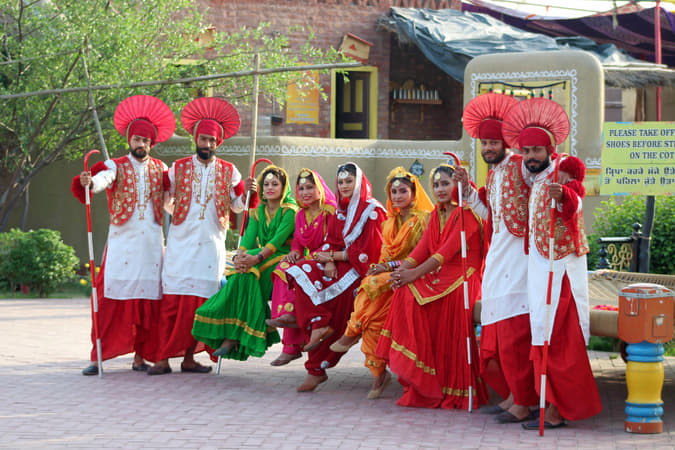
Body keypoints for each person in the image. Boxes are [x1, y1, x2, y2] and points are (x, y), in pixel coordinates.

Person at [501, 97, 602, 429]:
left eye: (537, 151)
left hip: (559, 276)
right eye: (527, 151)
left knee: (557, 342)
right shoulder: (537, 178)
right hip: (539, 270)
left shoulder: (563, 170)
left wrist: (566, 197)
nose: (531, 156)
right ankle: (541, 404)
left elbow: (576, 197)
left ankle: (556, 411)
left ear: (550, 150)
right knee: (540, 337)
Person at [148, 97, 256, 375]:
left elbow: (237, 206)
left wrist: (249, 194)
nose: (206, 144)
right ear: (195, 139)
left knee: (202, 305)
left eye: (211, 140)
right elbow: (162, 196)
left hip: (211, 245)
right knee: (172, 304)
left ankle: (189, 358)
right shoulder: (178, 168)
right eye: (202, 138)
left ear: (218, 143)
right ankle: (161, 358)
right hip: (180, 245)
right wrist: (178, 211)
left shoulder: (230, 171)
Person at [70, 94, 175, 375]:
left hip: (152, 244)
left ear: (152, 144)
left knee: (148, 302)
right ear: (130, 140)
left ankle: (141, 356)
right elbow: (103, 181)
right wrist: (91, 182)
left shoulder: (162, 168)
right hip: (122, 243)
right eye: (137, 139)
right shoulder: (115, 165)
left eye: (146, 141)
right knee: (109, 300)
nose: (141, 144)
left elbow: (171, 201)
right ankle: (97, 358)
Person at [454, 92, 539, 423]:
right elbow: (490, 215)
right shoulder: (494, 173)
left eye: (493, 142)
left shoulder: (522, 165)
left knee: (514, 331)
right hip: (499, 257)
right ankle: (515, 395)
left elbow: (545, 178)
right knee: (499, 330)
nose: (488, 148)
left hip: (520, 257)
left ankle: (525, 400)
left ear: (506, 141)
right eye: (483, 143)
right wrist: (470, 191)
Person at [376, 164, 488, 410]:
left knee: (433, 298)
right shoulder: (436, 214)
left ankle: (447, 385)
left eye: (445, 183)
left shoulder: (466, 214)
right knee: (405, 292)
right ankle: (421, 379)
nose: (439, 189)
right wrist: (402, 271)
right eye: (436, 185)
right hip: (440, 273)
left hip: (464, 275)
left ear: (457, 185)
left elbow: (444, 255)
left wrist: (412, 274)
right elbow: (423, 249)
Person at [329, 167, 433, 399]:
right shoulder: (389, 222)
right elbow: (385, 256)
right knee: (374, 315)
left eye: (403, 191)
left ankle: (352, 331)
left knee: (372, 286)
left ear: (414, 193)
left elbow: (423, 256)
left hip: (418, 274)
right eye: (393, 191)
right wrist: (382, 266)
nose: (397, 195)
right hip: (391, 276)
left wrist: (388, 267)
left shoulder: (423, 221)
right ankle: (378, 375)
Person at [285, 163, 386, 392]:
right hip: (339, 262)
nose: (344, 186)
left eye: (349, 181)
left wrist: (333, 256)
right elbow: (332, 240)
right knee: (303, 270)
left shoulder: (372, 210)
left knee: (336, 301)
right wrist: (329, 259)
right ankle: (318, 324)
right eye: (340, 182)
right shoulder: (341, 209)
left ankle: (316, 367)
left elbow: (368, 254)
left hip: (364, 269)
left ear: (359, 182)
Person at [191, 165, 297, 361]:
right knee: (240, 273)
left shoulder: (289, 211)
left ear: (284, 187)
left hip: (284, 256)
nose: (270, 188)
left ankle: (235, 335)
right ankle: (236, 333)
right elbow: (248, 240)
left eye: (275, 184)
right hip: (261, 255)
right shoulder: (258, 211)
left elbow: (276, 243)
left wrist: (254, 259)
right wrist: (240, 257)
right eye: (266, 184)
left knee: (248, 272)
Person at [265, 168, 337, 366]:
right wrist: (295, 252)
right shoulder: (300, 214)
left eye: (310, 187)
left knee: (298, 271)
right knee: (283, 267)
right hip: (309, 260)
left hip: (329, 260)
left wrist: (319, 257)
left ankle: (292, 341)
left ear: (320, 188)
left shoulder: (330, 211)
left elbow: (334, 240)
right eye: (302, 188)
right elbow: (298, 241)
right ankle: (287, 319)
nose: (305, 192)